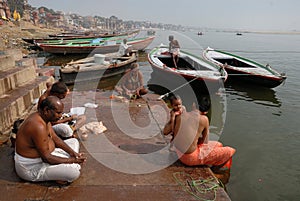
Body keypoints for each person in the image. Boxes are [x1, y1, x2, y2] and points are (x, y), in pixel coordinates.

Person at [14, 96, 86, 183]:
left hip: (49, 154)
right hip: (32, 167)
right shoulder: (38, 126)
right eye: (58, 113)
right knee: (74, 172)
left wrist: (73, 153)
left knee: (74, 141)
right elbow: (47, 158)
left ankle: (61, 170)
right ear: (46, 110)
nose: (60, 116)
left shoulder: (44, 118)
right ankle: (59, 173)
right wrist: (72, 160)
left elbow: (55, 138)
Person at [163, 95, 235, 171]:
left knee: (219, 144)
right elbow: (205, 142)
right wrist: (195, 138)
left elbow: (165, 132)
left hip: (178, 152)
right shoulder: (204, 119)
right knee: (229, 151)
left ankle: (211, 162)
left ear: (194, 105)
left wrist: (172, 119)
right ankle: (215, 171)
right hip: (189, 158)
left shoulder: (181, 114)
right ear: (206, 112)